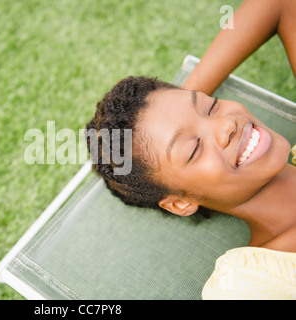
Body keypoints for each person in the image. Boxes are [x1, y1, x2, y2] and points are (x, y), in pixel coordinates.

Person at [86, 0, 296, 299]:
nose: (226, 126)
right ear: (180, 202)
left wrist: (182, 105)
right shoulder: (245, 284)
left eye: (210, 106)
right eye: (194, 149)